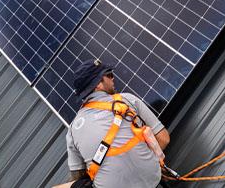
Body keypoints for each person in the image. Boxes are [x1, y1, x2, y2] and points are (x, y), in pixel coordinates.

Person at [65, 59, 170, 188]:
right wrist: (149, 164)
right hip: (154, 183)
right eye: (109, 75)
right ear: (98, 84)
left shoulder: (72, 131)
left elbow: (78, 178)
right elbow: (163, 138)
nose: (113, 78)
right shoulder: (127, 100)